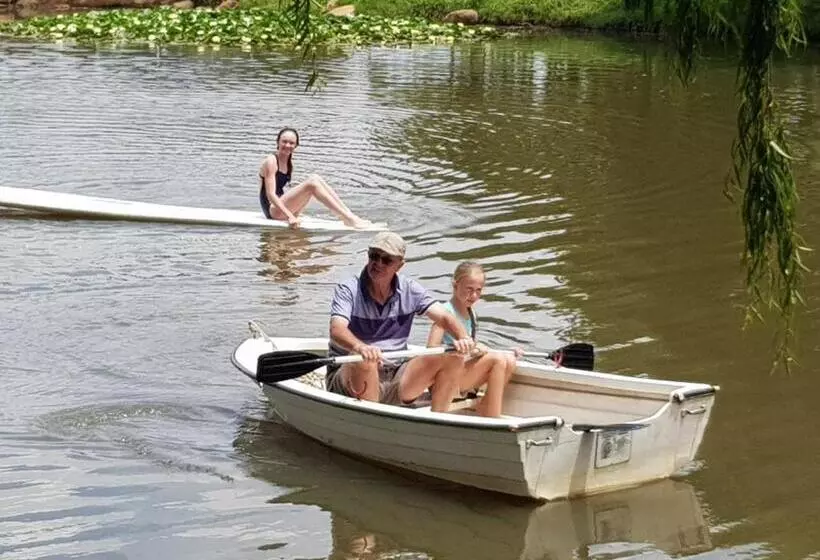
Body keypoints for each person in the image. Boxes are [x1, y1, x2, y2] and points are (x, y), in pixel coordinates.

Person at [326, 231, 475, 412]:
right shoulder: (348, 289)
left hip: (396, 373)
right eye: (374, 255)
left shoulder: (409, 289)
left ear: (399, 265)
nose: (378, 263)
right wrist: (360, 347)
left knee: (453, 357)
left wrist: (462, 337)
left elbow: (444, 317)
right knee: (365, 361)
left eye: (387, 260)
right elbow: (337, 329)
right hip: (351, 373)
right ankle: (372, 420)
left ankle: (440, 419)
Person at [426, 261, 519, 417]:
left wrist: (477, 348)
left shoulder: (471, 314)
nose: (474, 296)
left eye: (478, 290)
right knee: (498, 361)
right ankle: (492, 418)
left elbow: (470, 345)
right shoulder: (444, 314)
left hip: (461, 371)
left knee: (509, 360)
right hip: (444, 377)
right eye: (469, 290)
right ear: (455, 286)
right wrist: (456, 348)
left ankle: (486, 406)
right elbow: (430, 350)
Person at [259, 127, 373, 229]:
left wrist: (297, 212)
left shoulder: (288, 162)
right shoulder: (271, 161)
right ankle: (347, 218)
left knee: (315, 178)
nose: (287, 145)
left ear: (296, 145)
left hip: (280, 206)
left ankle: (350, 216)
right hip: (272, 210)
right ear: (278, 142)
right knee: (312, 183)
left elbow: (291, 192)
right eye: (284, 142)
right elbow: (271, 195)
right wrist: (290, 216)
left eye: (291, 143)